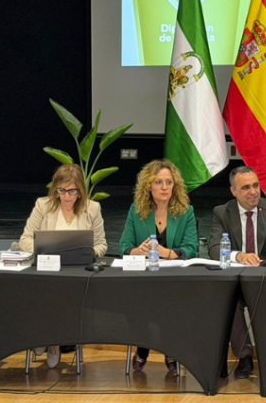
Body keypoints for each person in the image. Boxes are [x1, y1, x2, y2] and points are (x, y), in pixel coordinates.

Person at [208, 166, 266, 379]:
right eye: (246, 187)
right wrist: (238, 256)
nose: (253, 192)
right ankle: (244, 356)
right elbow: (214, 248)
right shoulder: (222, 212)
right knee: (229, 301)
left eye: (256, 186)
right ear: (234, 191)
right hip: (237, 280)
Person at [19, 164, 108, 368]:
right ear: (55, 190)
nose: (67, 196)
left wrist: (90, 252)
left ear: (80, 191)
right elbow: (25, 239)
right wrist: (40, 250)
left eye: (72, 191)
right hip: (47, 270)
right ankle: (48, 338)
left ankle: (51, 341)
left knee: (62, 293)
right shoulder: (43, 206)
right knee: (46, 290)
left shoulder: (92, 208)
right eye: (62, 191)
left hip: (77, 273)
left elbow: (102, 244)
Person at [116, 159, 198, 373]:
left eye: (169, 182)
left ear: (175, 186)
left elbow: (191, 248)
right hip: (143, 278)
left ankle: (170, 349)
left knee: (170, 302)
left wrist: (166, 253)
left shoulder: (186, 211)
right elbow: (124, 246)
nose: (164, 187)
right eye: (158, 182)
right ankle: (143, 347)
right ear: (148, 186)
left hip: (173, 279)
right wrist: (138, 251)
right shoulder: (136, 211)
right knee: (135, 302)